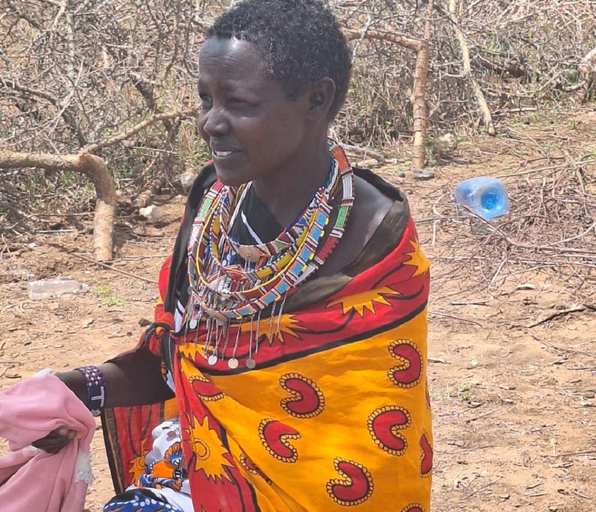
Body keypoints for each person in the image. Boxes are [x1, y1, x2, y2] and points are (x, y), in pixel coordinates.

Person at [36, 0, 433, 510]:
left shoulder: (375, 243)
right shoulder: (212, 207)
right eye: (206, 99)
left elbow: (373, 458)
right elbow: (176, 359)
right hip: (190, 476)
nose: (209, 124)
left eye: (239, 104)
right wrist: (71, 391)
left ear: (316, 100)